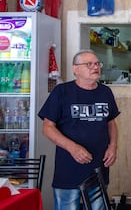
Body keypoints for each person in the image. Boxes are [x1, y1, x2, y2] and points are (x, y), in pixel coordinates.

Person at [38, 49, 120, 210]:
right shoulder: (62, 92)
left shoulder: (105, 92)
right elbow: (47, 128)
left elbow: (111, 123)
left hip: (98, 168)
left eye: (97, 63)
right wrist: (73, 148)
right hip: (69, 169)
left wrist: (113, 147)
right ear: (75, 69)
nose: (95, 67)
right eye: (89, 64)